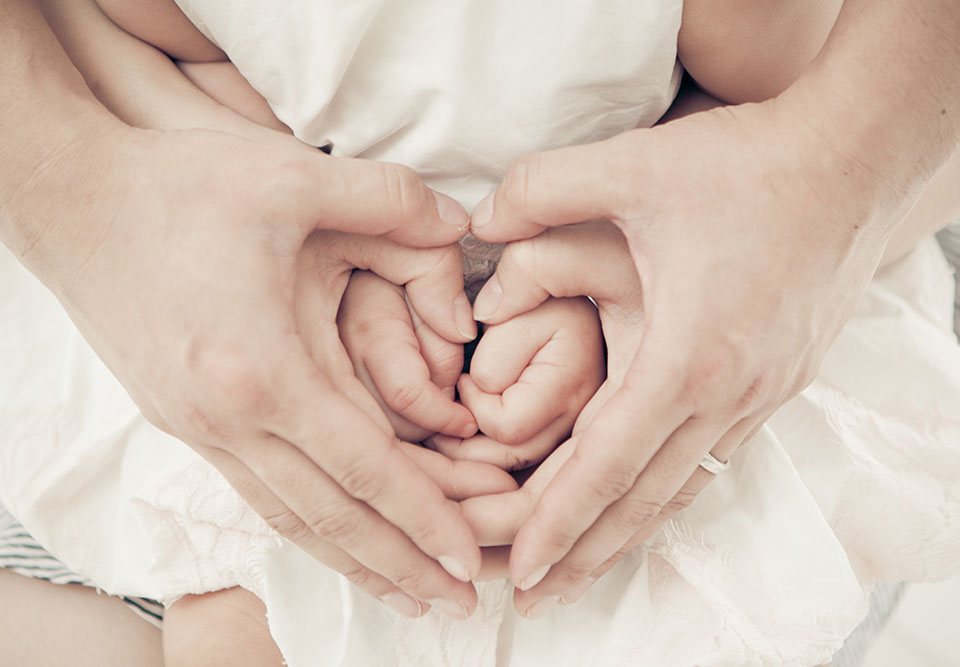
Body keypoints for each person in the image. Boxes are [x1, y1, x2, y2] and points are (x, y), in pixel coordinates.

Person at [1, 0, 959, 665]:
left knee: (669, 602)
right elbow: (102, 68)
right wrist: (306, 260)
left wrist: (606, 274)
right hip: (205, 312)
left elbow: (778, 128)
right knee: (245, 614)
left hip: (682, 317)